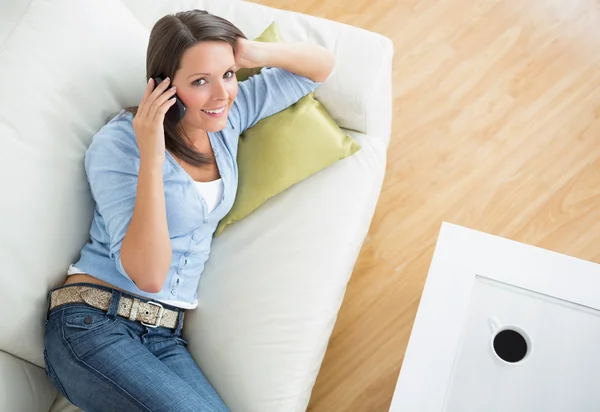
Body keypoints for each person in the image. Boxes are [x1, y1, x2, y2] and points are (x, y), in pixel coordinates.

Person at [43, 9, 334, 412]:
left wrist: (248, 53)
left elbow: (319, 67)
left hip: (163, 335)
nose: (222, 94)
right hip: (92, 325)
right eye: (200, 81)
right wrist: (152, 158)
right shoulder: (120, 145)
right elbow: (149, 275)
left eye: (228, 75)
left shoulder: (224, 119)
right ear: (164, 86)